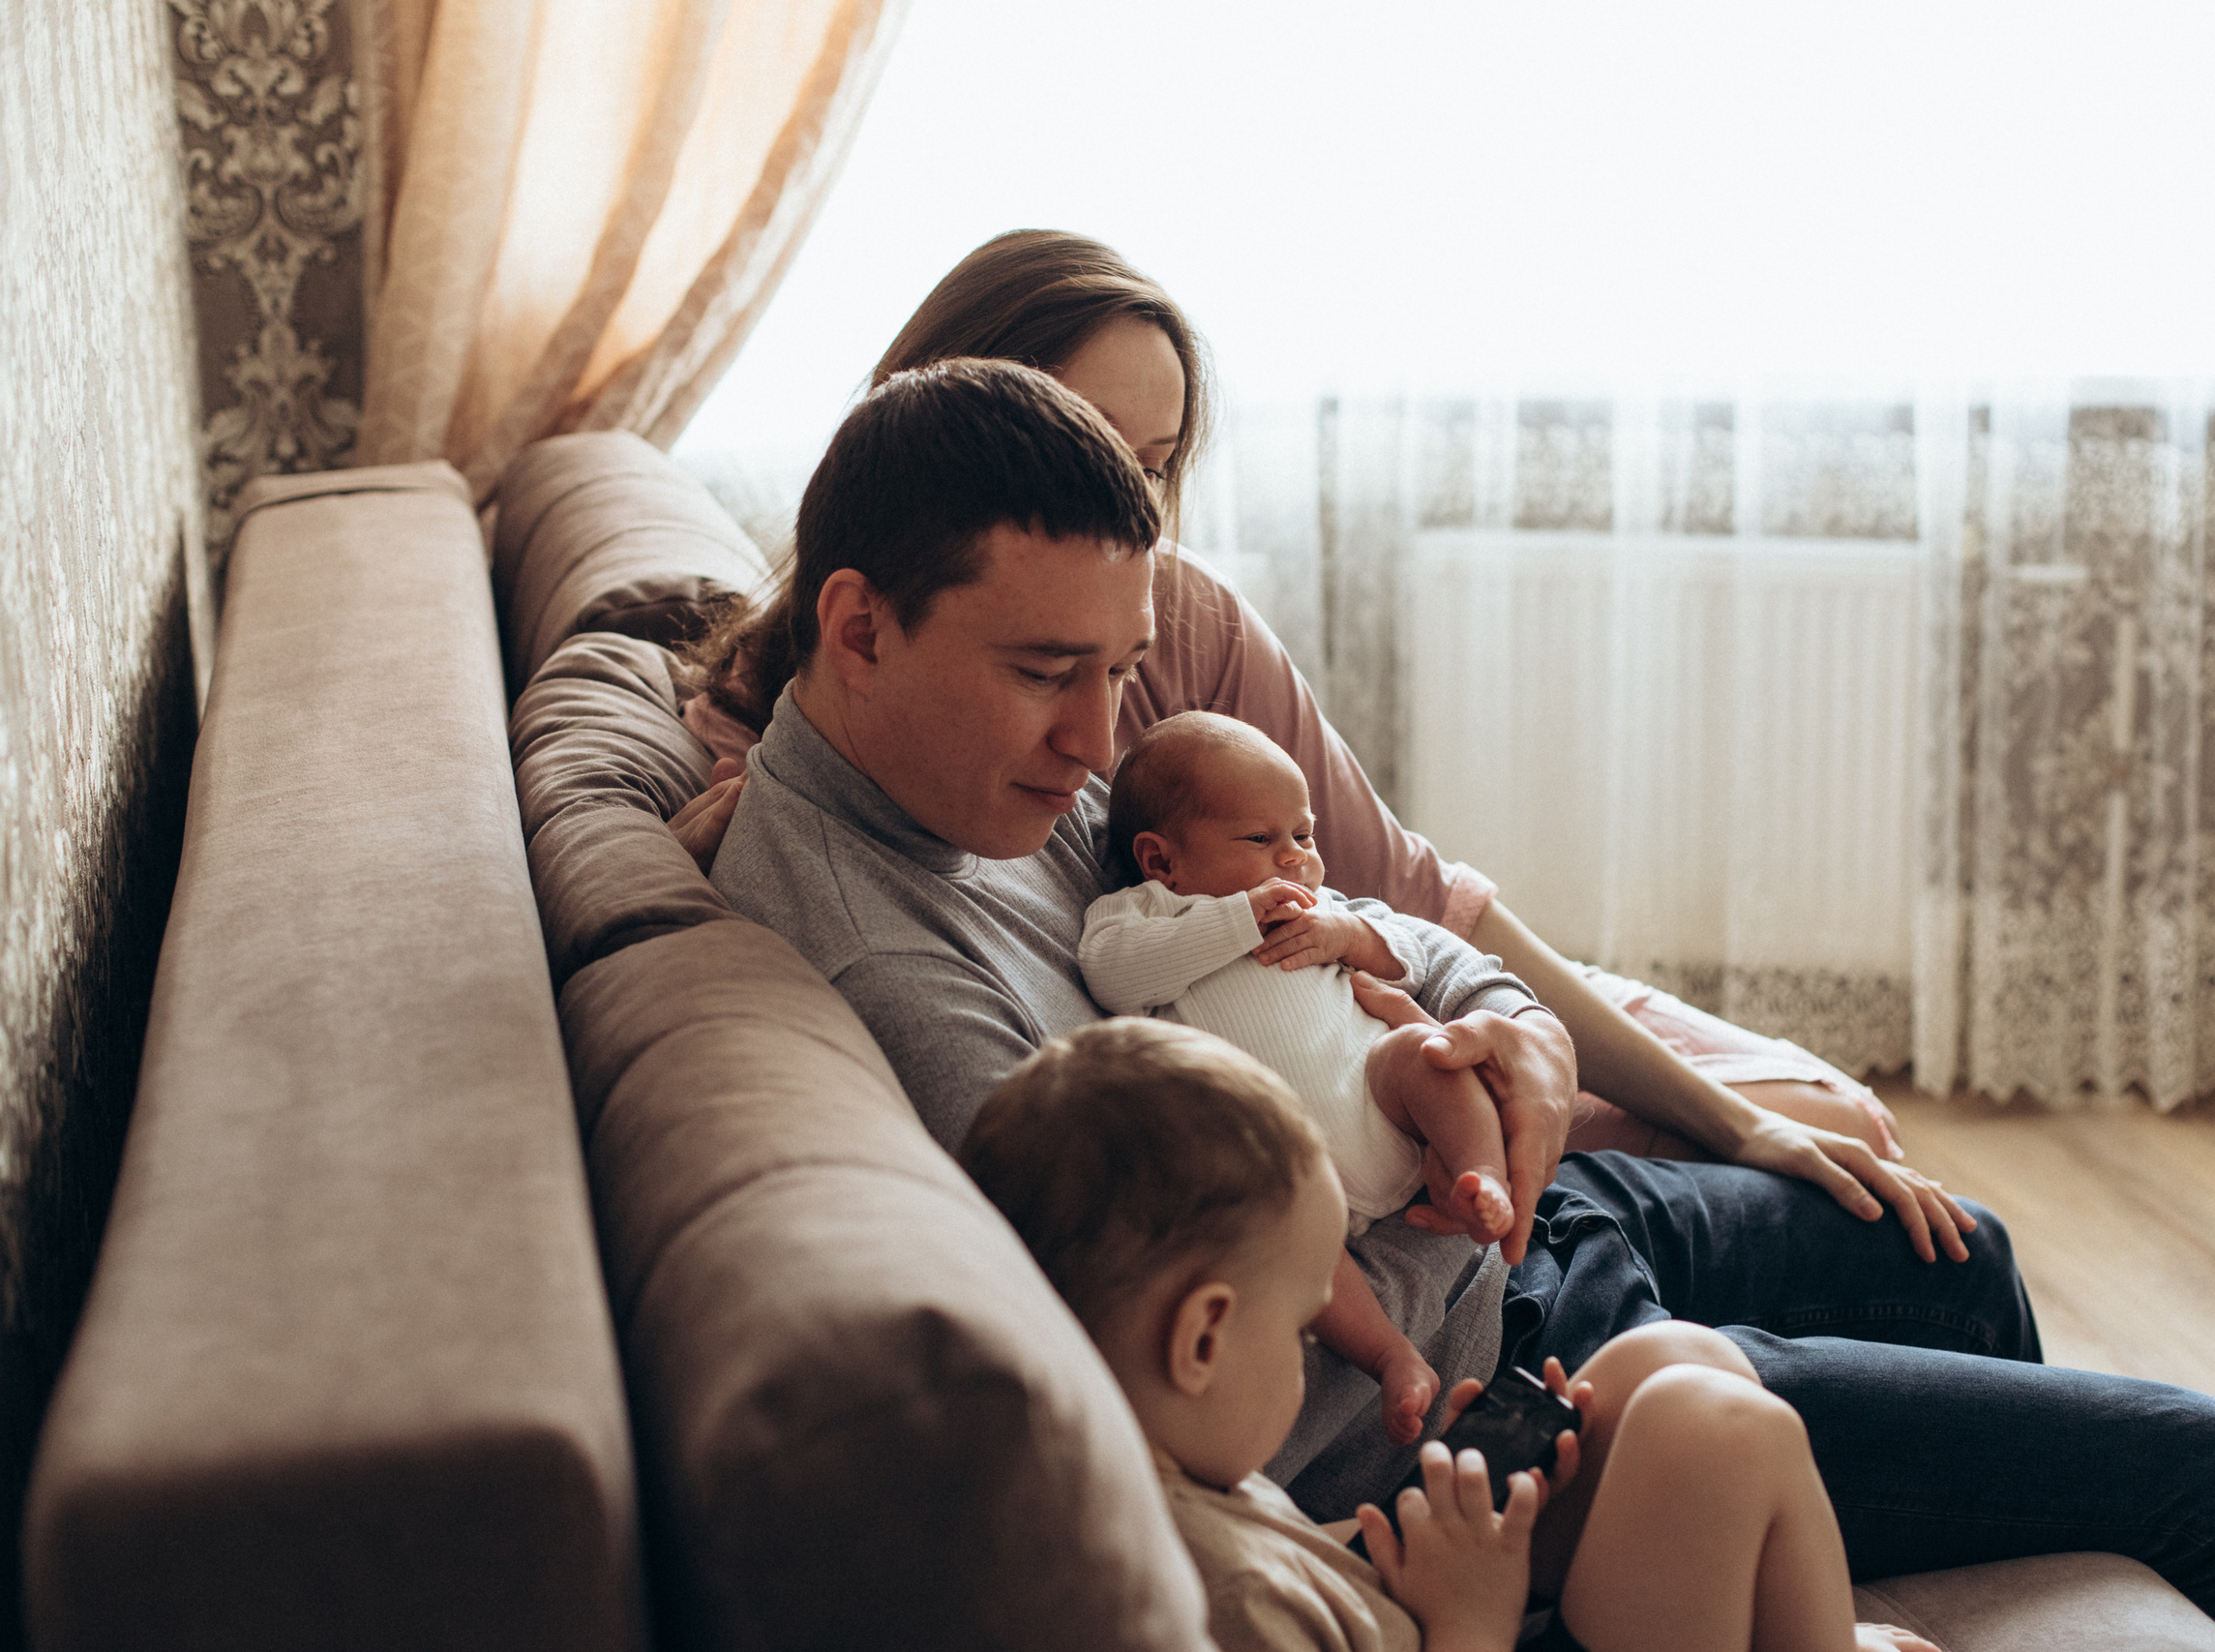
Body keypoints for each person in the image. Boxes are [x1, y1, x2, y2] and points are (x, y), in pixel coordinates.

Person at [701, 345, 2215, 1652]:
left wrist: (1505, 1031)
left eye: (1118, 671)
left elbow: (1374, 912)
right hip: (1494, 1394)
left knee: (1964, 1255)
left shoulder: (995, 777)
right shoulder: (892, 971)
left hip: (1507, 1232)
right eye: (1048, 671)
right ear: (858, 625)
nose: (1094, 735)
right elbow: (1188, 1349)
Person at [674, 229, 1979, 1278]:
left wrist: (1573, 1047)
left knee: (1827, 1120)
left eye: (1152, 466)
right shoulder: (862, 766)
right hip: (1362, 1140)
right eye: (1082, 442)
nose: (1124, 510)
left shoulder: (1173, 617)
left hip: (1379, 982)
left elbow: (1402, 896)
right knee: (1857, 1175)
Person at [962, 1018, 1938, 1652]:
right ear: (1203, 1339)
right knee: (1719, 1432)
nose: (1312, 1353)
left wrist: (1421, 1527)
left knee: (1673, 1361)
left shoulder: (1168, 1470)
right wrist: (1471, 1613)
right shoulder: (1220, 1600)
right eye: (1305, 1328)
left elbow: (1307, 1558)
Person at [1086, 710, 1522, 1444]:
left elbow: (1408, 959)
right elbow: (1112, 975)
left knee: (1423, 1049)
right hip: (1287, 1162)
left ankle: (1487, 1179)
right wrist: (1239, 920)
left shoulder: (1320, 908)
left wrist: (1349, 934)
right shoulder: (1144, 912)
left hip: (1376, 1095)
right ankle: (1390, 1356)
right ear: (1162, 861)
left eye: (1304, 835)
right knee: (1278, 1239)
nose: (1293, 858)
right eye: (1260, 839)